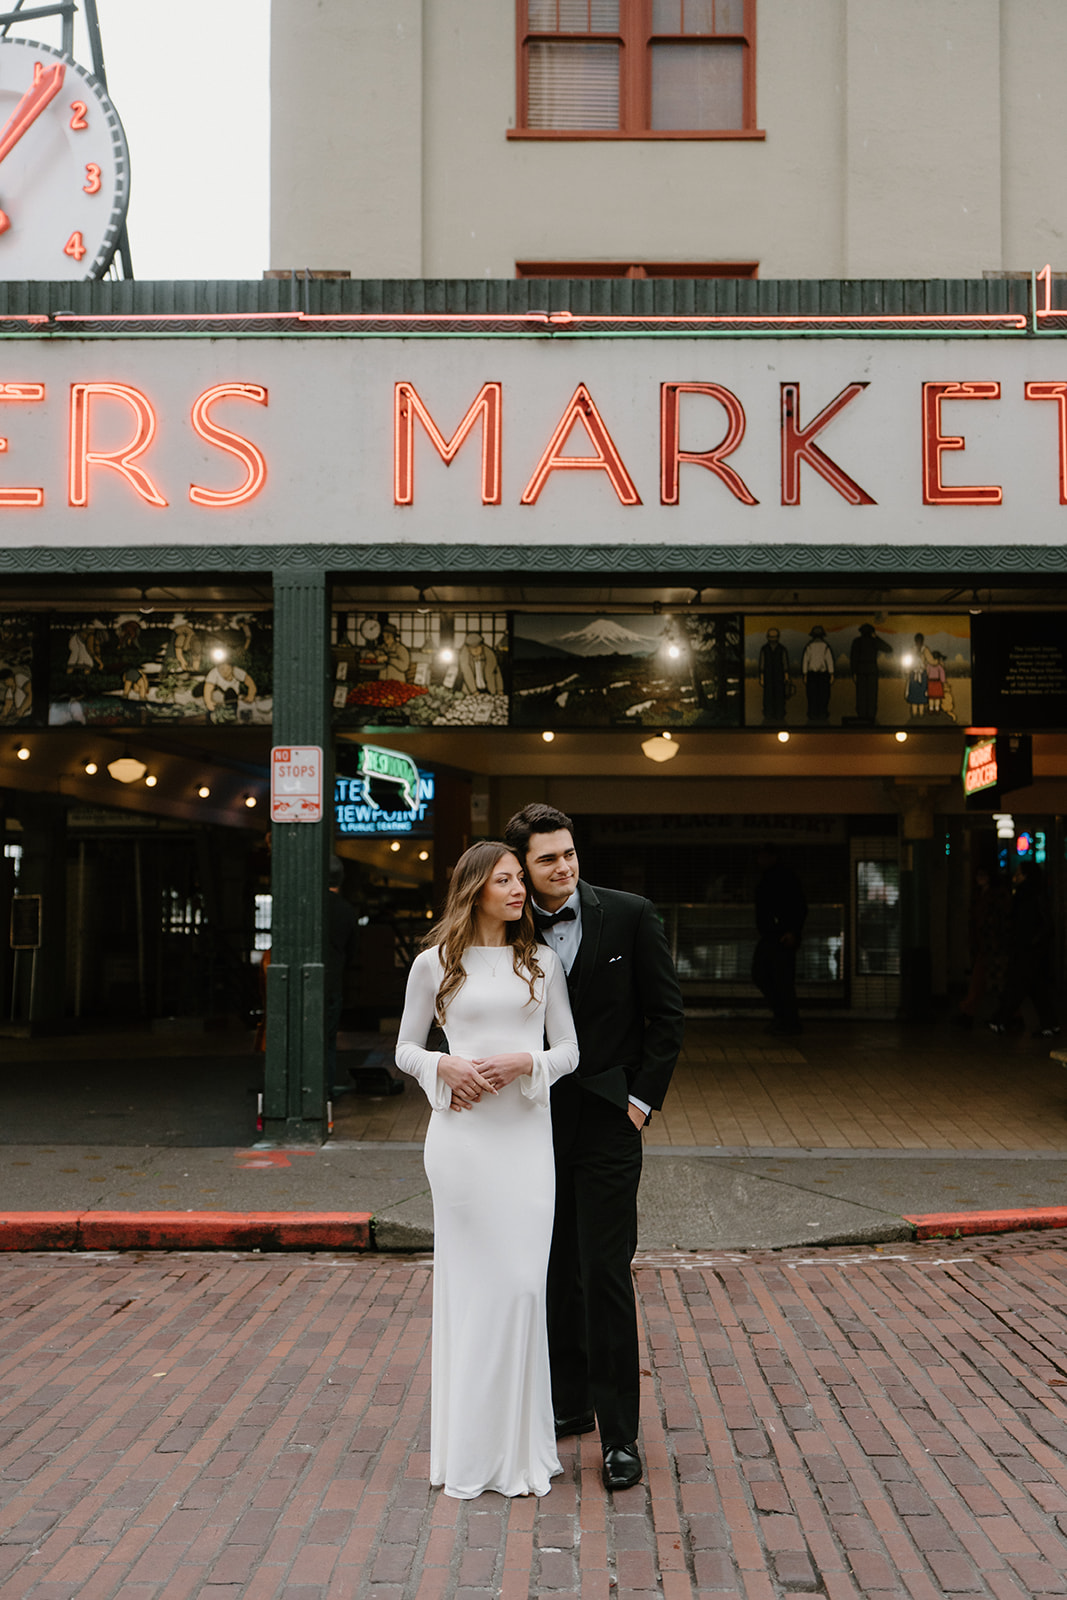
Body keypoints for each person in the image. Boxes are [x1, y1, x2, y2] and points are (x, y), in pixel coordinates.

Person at [502, 803, 684, 1493]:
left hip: (610, 1120)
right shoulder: (505, 924)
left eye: (568, 853)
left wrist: (640, 1103)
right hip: (528, 1124)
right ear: (522, 867)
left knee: (603, 1271)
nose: (563, 867)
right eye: (547, 858)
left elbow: (666, 1016)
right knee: (548, 1269)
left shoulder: (629, 914)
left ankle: (619, 1437)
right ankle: (567, 1402)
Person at [395, 840, 579, 1499]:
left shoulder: (542, 963)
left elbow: (569, 1052)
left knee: (524, 1286)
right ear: (473, 887)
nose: (517, 890)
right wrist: (441, 1066)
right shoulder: (433, 964)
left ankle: (520, 1449)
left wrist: (526, 1063)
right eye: (503, 880)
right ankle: (471, 1454)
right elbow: (406, 1050)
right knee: (472, 1293)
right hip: (462, 1142)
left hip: (527, 1142)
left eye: (517, 880)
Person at [988, 860, 1061, 1038]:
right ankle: (1049, 1024)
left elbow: (1023, 923)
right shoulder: (1036, 894)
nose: (1016, 877)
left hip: (1025, 949)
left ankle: (1000, 1020)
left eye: (1019, 873)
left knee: (1018, 986)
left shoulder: (1024, 896)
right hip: (1032, 950)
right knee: (1035, 988)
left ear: (1026, 876)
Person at [752, 844, 808, 1035]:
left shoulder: (781, 878)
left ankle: (787, 1019)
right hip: (776, 934)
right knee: (772, 976)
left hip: (780, 935)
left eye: (763, 855)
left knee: (775, 977)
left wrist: (792, 931)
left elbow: (798, 906)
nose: (759, 860)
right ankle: (785, 1018)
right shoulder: (773, 877)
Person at [326, 857, 361, 1082]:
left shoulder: (308, 906)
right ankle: (325, 1087)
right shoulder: (347, 910)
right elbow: (353, 951)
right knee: (328, 1038)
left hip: (304, 981)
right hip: (332, 980)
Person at [849, 623, 892, 722]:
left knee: (861, 695)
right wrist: (877, 638)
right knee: (872, 695)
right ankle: (871, 717)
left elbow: (853, 658)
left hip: (860, 671)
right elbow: (889, 649)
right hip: (872, 670)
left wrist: (853, 672)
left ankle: (861, 717)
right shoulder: (874, 641)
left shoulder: (856, 641)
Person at [801, 624, 834, 722]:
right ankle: (822, 713)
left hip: (812, 675)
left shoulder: (809, 646)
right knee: (824, 695)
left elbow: (805, 661)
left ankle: (812, 713)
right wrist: (831, 674)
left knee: (812, 695)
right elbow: (829, 661)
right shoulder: (825, 646)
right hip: (823, 675)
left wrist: (805, 674)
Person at [758, 627, 791, 723]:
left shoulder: (782, 649)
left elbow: (785, 664)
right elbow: (762, 665)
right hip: (768, 676)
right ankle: (769, 714)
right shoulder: (764, 649)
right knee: (768, 696)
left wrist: (786, 677)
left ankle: (779, 714)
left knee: (780, 696)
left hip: (779, 676)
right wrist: (762, 677)